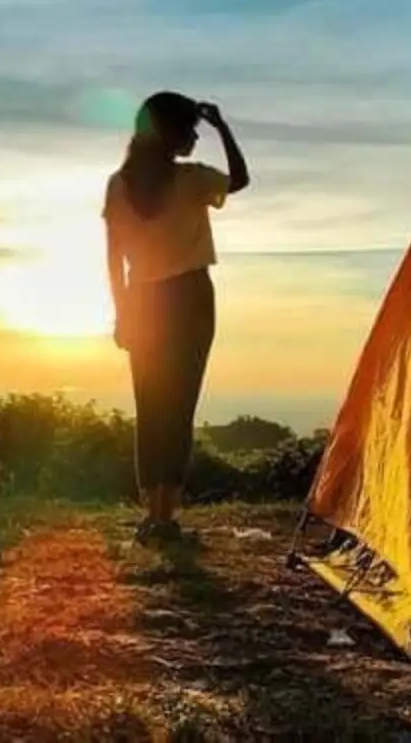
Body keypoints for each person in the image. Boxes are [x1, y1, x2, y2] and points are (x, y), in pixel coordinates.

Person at [102, 91, 249, 545]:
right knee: (179, 408)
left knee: (150, 407)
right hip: (190, 297)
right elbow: (240, 179)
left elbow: (113, 257)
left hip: (143, 300)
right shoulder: (192, 179)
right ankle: (165, 516)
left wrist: (121, 311)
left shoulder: (119, 185)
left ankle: (154, 515)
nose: (195, 138)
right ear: (171, 134)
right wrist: (222, 126)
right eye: (191, 130)